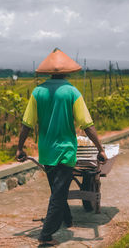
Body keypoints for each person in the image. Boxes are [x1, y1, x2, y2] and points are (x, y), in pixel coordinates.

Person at [16, 48, 108, 246]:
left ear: (49, 72)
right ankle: (46, 235)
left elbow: (27, 124)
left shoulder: (37, 92)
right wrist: (100, 148)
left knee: (57, 190)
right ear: (67, 72)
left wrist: (19, 148)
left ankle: (67, 219)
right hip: (66, 151)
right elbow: (87, 124)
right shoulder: (72, 92)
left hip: (47, 152)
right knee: (58, 194)